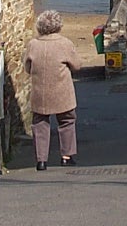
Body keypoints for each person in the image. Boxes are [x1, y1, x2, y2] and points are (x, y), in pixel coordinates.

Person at [23, 9, 82, 171]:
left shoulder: (33, 45)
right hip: (62, 91)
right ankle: (66, 156)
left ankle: (41, 160)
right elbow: (77, 65)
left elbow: (27, 67)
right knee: (67, 121)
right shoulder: (65, 43)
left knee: (40, 123)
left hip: (40, 92)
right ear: (58, 26)